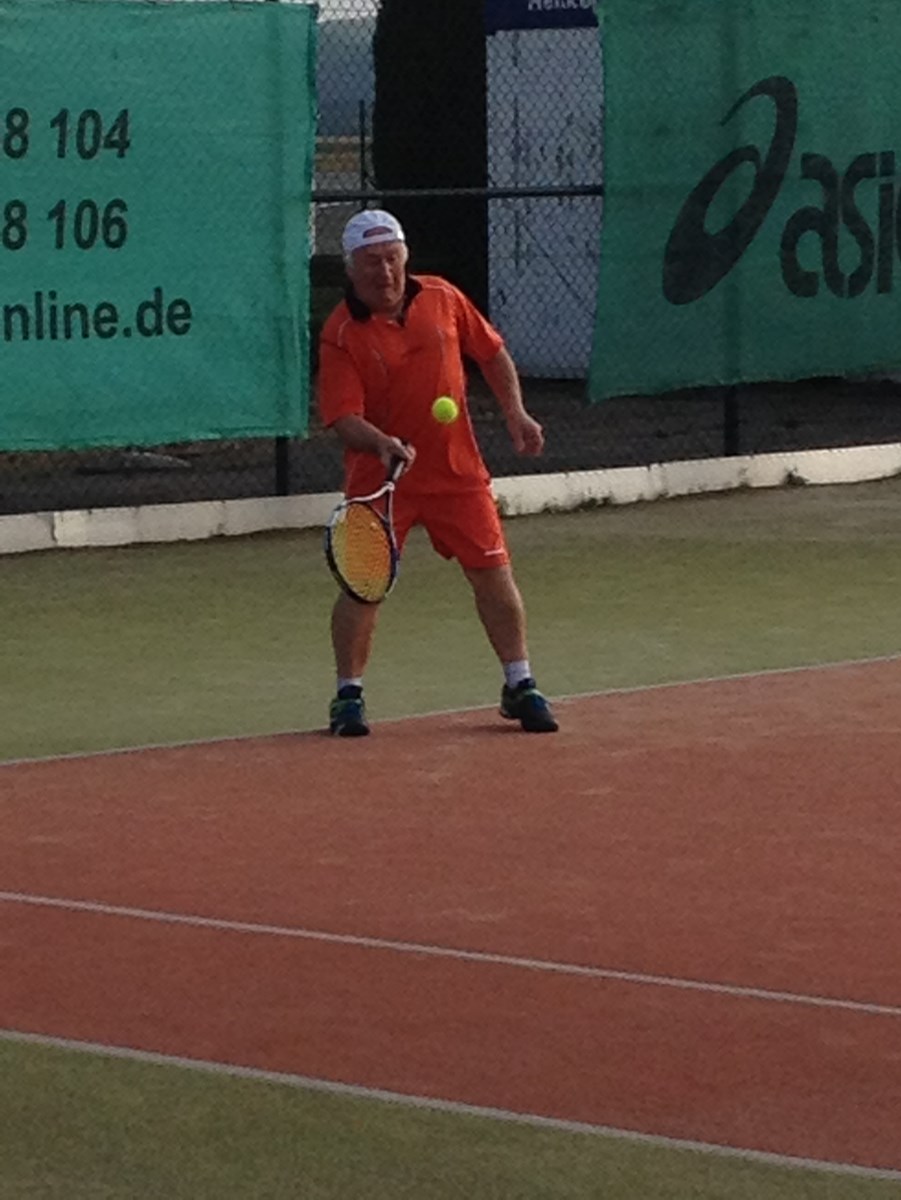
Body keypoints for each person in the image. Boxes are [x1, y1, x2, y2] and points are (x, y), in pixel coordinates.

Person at [318, 208, 558, 737]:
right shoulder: (340, 332)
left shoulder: (444, 297)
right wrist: (382, 443)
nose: (384, 272)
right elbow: (342, 416)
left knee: (494, 574)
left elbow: (491, 353)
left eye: (392, 259)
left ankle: (520, 684)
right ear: (351, 269)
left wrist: (516, 414)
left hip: (457, 473)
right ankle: (347, 697)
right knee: (364, 587)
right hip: (383, 480)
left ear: (405, 258)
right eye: (372, 262)